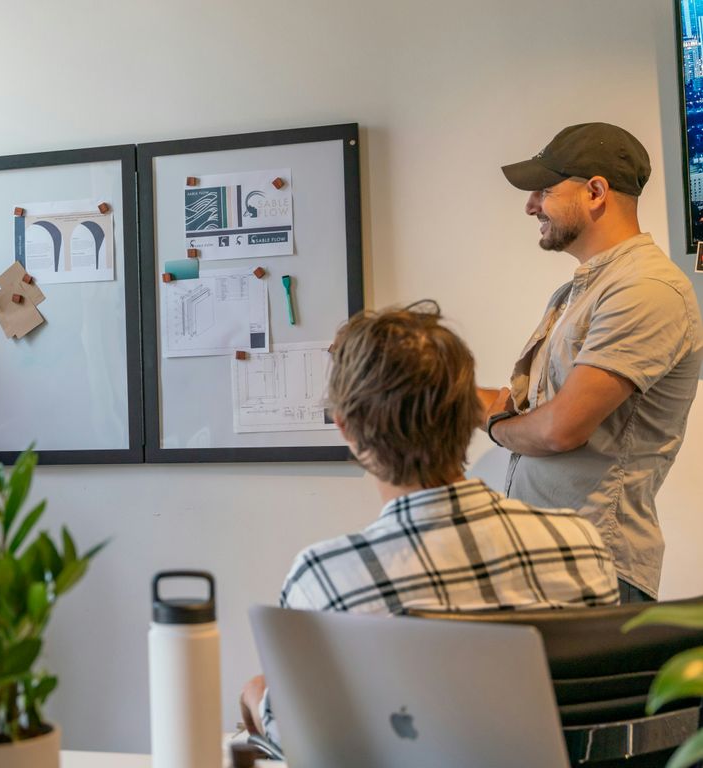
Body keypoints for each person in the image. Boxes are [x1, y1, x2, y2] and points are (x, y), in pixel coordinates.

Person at [241, 303, 619, 747]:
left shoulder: (324, 578)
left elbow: (304, 740)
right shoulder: (580, 547)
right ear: (469, 416)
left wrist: (256, 694)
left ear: (347, 429)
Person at [480, 123, 703, 602]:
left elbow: (561, 428)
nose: (530, 206)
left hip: (593, 570)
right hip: (552, 565)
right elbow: (532, 413)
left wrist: (497, 426)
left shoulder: (645, 290)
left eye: (543, 191)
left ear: (596, 191)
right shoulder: (582, 291)